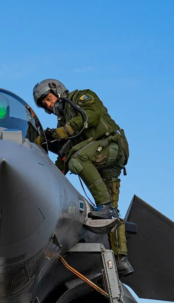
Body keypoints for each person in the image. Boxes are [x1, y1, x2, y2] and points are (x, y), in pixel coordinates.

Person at [33, 79, 133, 276]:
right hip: (99, 157)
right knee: (111, 216)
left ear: (57, 90)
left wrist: (60, 132)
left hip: (110, 146)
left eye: (48, 99)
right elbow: (65, 151)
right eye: (43, 104)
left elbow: (90, 117)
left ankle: (104, 205)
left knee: (77, 160)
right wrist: (51, 176)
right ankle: (122, 260)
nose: (48, 104)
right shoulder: (64, 120)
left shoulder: (81, 97)